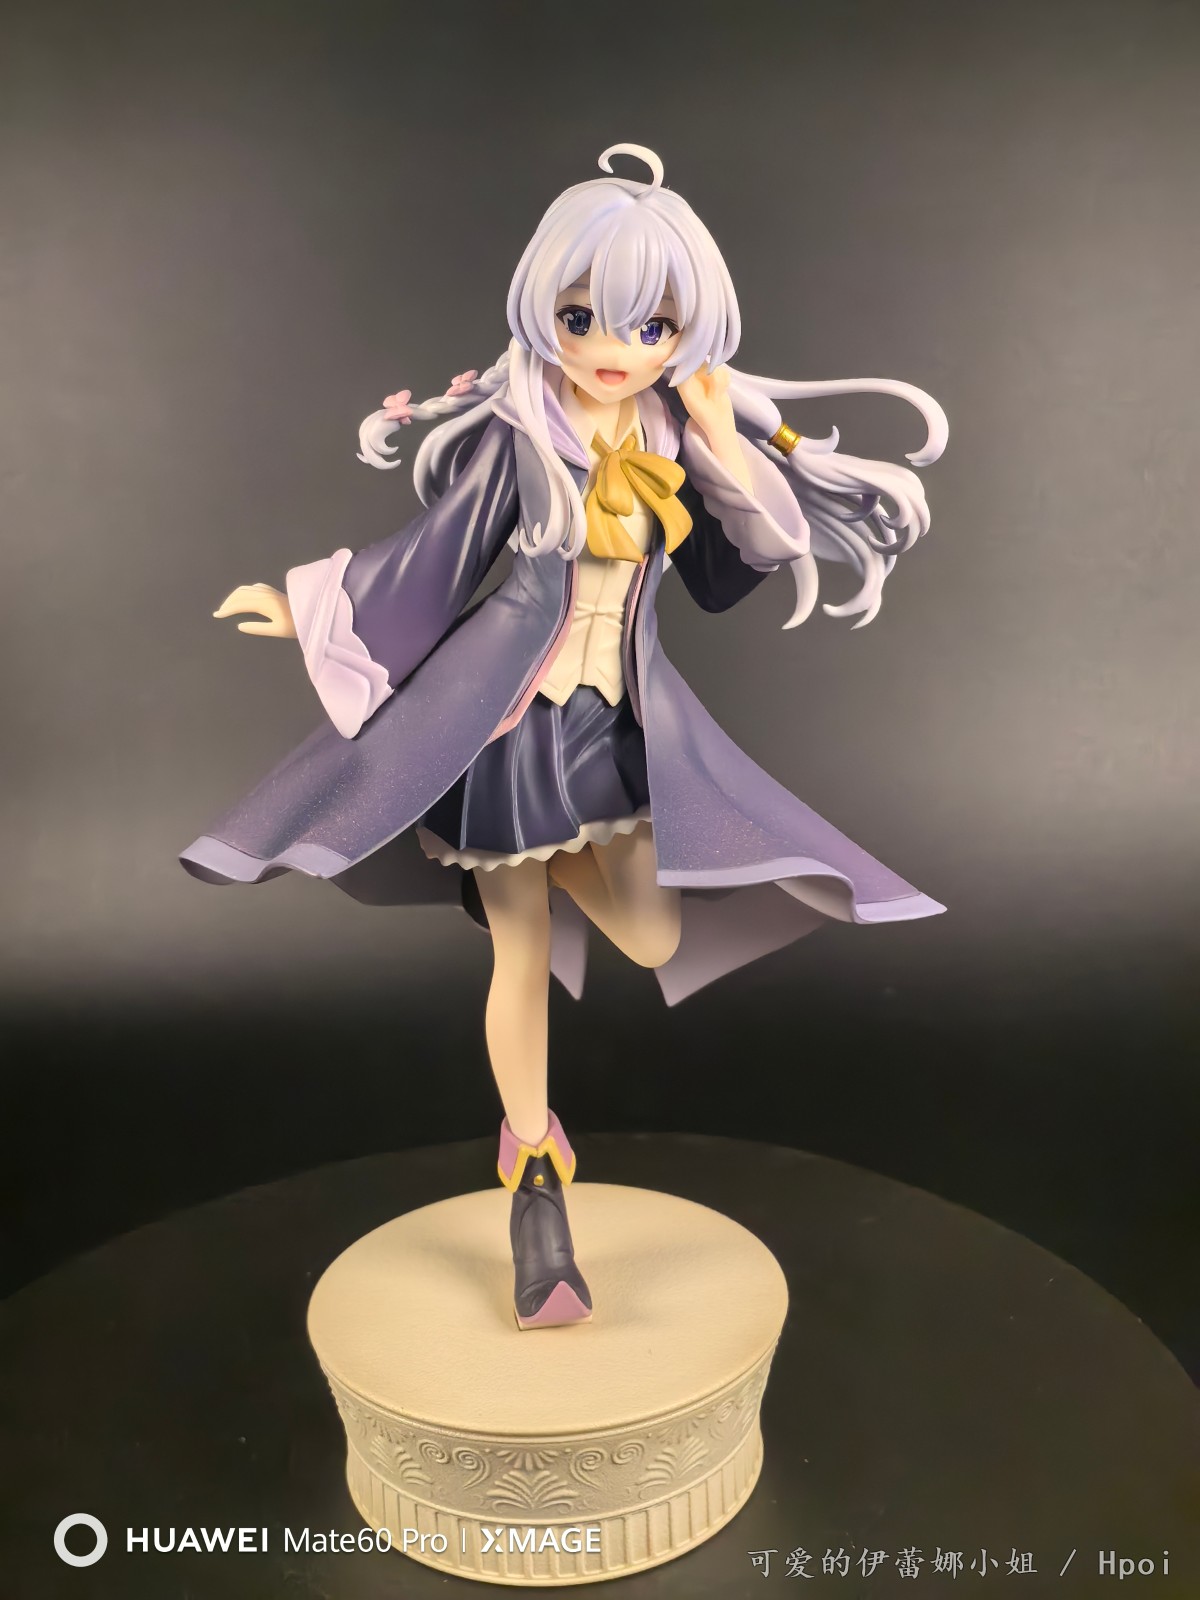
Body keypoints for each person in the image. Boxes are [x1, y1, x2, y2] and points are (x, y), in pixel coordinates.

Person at [181, 143, 949, 1330]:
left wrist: (721, 439)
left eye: (651, 323)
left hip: (618, 724)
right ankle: (534, 1168)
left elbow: (737, 569)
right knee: (519, 948)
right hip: (499, 728)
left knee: (648, 933)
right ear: (545, 306)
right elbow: (434, 559)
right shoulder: (520, 435)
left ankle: (554, 926)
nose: (612, 346)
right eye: (584, 315)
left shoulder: (674, 436)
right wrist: (304, 606)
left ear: (686, 333)